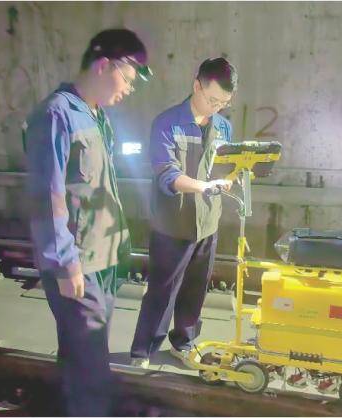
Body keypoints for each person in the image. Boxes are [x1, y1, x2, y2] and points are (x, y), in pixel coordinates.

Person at [24, 28, 151, 416]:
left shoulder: (96, 115)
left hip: (104, 259)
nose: (129, 89)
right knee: (91, 367)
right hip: (79, 263)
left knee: (82, 357)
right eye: (127, 79)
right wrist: (65, 263)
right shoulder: (56, 114)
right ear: (103, 66)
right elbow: (47, 196)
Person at [130, 58, 237, 368]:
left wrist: (231, 178)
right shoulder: (167, 123)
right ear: (196, 85)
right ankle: (142, 351)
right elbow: (167, 173)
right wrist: (204, 186)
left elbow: (226, 169)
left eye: (223, 103)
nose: (216, 107)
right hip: (172, 225)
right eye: (212, 99)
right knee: (162, 291)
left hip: (207, 224)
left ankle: (184, 343)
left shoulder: (224, 127)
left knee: (195, 290)